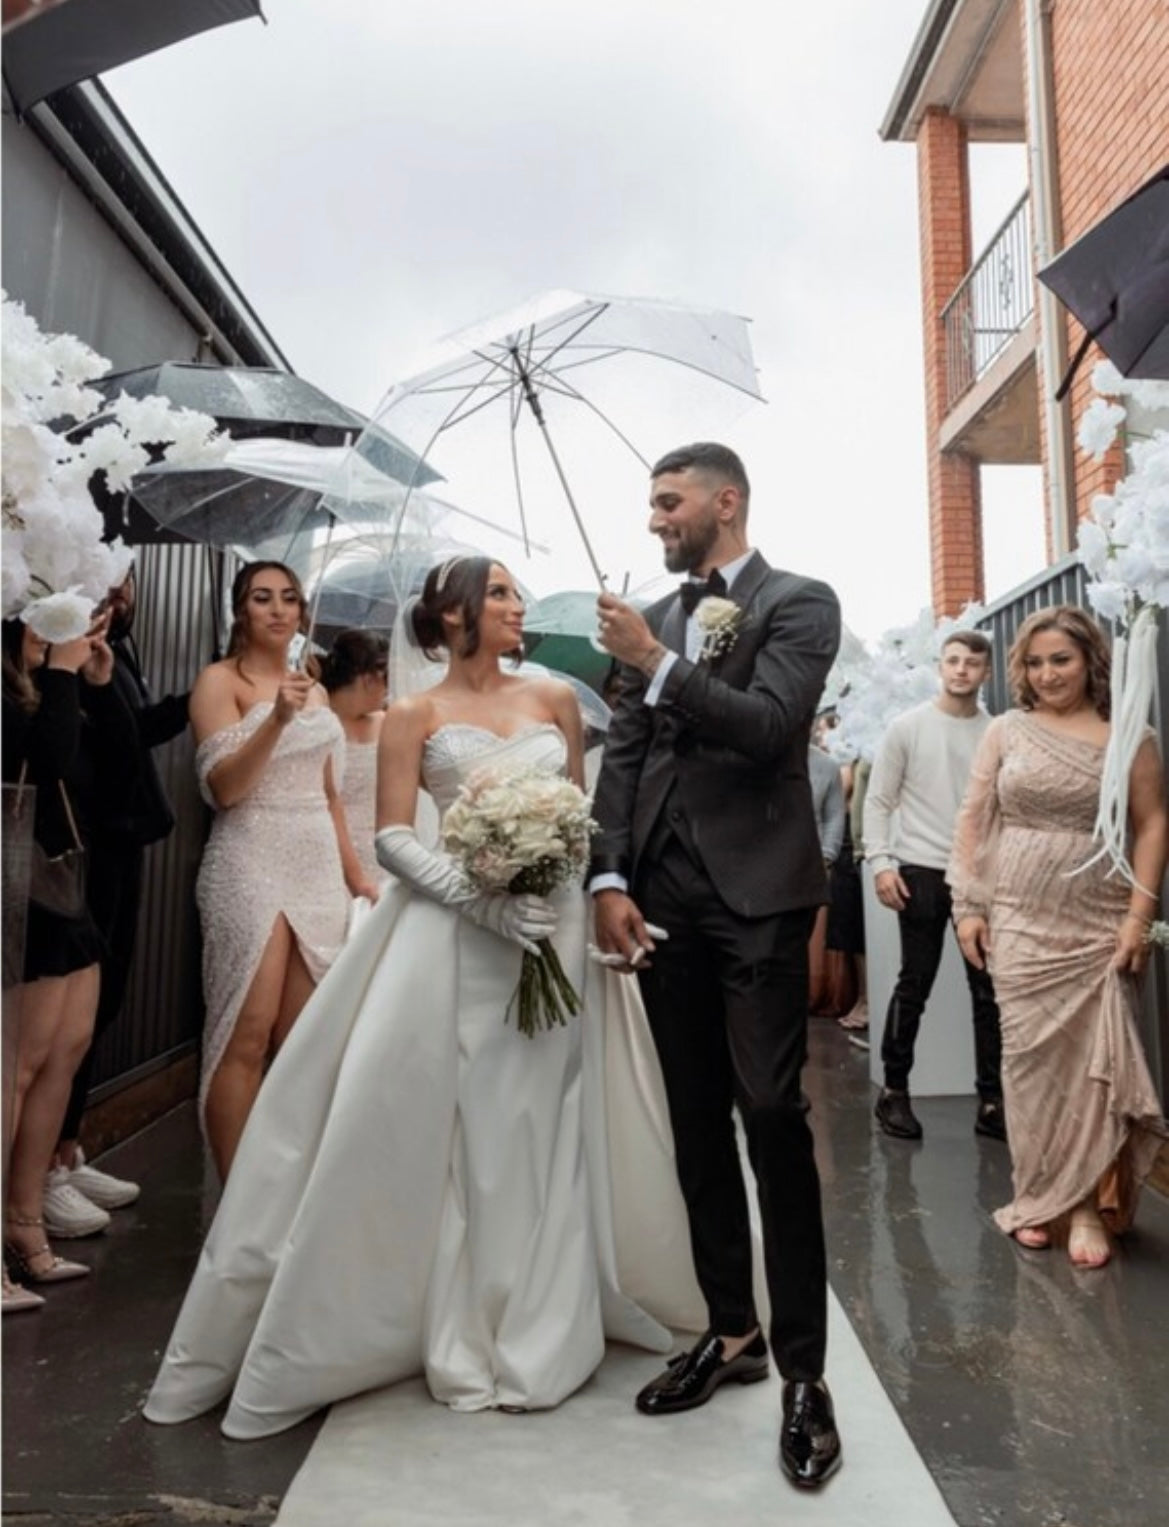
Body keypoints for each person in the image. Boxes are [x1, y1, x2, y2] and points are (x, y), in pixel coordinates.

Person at [145, 555, 699, 1437]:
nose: (518, 607)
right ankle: (473, 1310)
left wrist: (591, 895)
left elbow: (587, 817)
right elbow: (394, 834)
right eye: (501, 594)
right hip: (470, 933)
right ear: (451, 617)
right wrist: (477, 899)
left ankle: (548, 1318)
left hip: (552, 926)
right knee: (483, 1116)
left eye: (516, 593)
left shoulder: (555, 700)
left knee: (553, 1112)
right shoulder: (414, 711)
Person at [591, 442, 844, 1490]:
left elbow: (767, 726)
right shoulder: (643, 616)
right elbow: (623, 755)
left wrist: (657, 661)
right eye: (650, 504)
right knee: (693, 1117)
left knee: (769, 1112)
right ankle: (729, 1332)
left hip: (759, 898)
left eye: (668, 502)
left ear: (723, 501)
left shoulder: (798, 601)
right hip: (664, 898)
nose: (655, 520)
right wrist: (606, 878)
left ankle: (803, 1375)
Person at [949, 606, 1167, 1269]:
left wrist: (1138, 918)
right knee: (1029, 1066)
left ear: (1089, 661)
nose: (1047, 674)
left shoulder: (1129, 734)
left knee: (1089, 1072)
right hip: (1017, 914)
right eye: (1035, 662)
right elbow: (974, 817)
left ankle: (1080, 1206)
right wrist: (967, 906)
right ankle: (1036, 1194)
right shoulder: (1007, 731)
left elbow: (1152, 823)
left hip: (1097, 921)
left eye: (1061, 659)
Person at [189, 561, 357, 1180]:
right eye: (262, 598)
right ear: (241, 610)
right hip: (250, 855)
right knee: (248, 1035)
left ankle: (283, 1193)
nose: (279, 609)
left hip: (315, 865)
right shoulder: (218, 682)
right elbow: (224, 790)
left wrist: (357, 877)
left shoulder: (311, 683)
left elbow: (332, 794)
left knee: (304, 1045)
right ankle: (237, 1204)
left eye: (290, 598)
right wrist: (276, 720)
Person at [44, 569, 190, 1237]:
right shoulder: (55, 652)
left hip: (124, 840)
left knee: (107, 1001)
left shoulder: (116, 651)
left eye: (126, 580)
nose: (120, 592)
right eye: (106, 578)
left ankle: (67, 1151)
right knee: (70, 1017)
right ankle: (43, 1170)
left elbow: (134, 733)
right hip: (80, 848)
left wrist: (203, 691)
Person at [2, 614, 138, 1309]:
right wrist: (56, 667)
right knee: (14, 1068)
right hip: (14, 888)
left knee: (67, 1049)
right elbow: (45, 759)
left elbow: (121, 767)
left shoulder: (43, 682)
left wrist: (97, 682)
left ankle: (24, 1222)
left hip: (61, 879)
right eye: (36, 617)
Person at [863, 630, 1005, 1142]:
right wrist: (882, 862)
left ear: (987, 671)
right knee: (914, 983)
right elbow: (878, 801)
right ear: (939, 667)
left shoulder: (998, 732)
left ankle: (992, 1101)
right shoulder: (908, 727)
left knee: (987, 990)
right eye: (952, 660)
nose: (962, 670)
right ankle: (893, 1093)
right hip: (920, 868)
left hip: (980, 873)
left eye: (972, 662)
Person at [321, 628, 390, 900]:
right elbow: (329, 801)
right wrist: (355, 877)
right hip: (330, 854)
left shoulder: (386, 723)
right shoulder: (319, 723)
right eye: (386, 678)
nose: (388, 689)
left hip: (383, 855)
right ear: (369, 677)